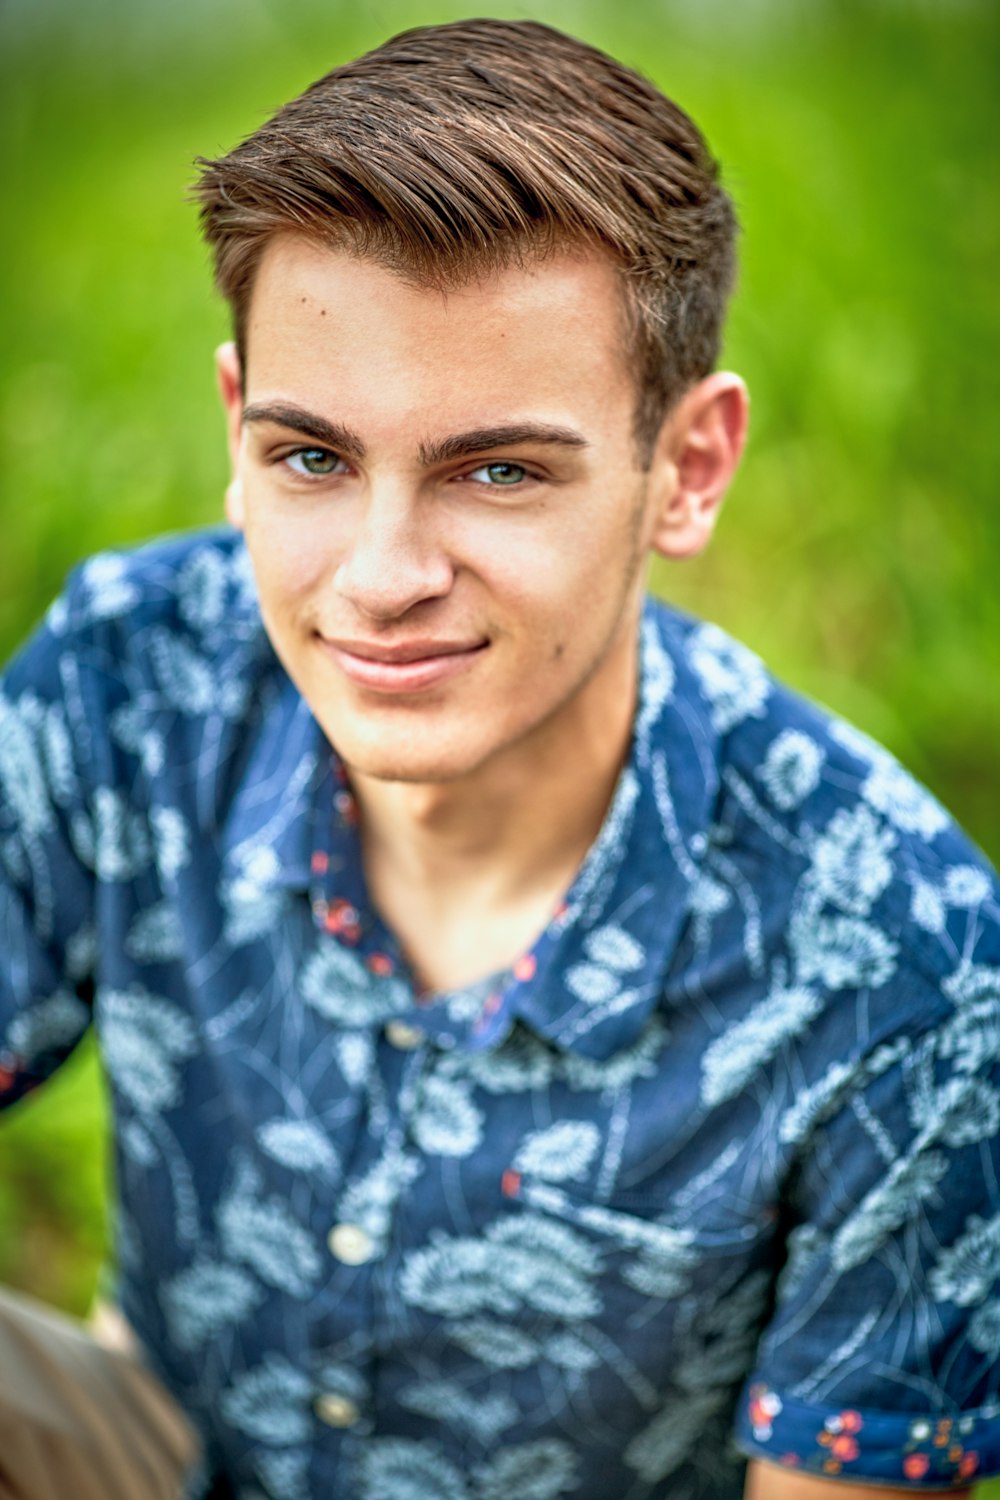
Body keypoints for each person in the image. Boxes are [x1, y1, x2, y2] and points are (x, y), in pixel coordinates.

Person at [0, 16, 997, 1500]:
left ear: (687, 469)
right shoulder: (135, 678)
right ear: (237, 426)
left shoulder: (905, 964)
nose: (381, 575)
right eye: (313, 458)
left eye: (500, 470)